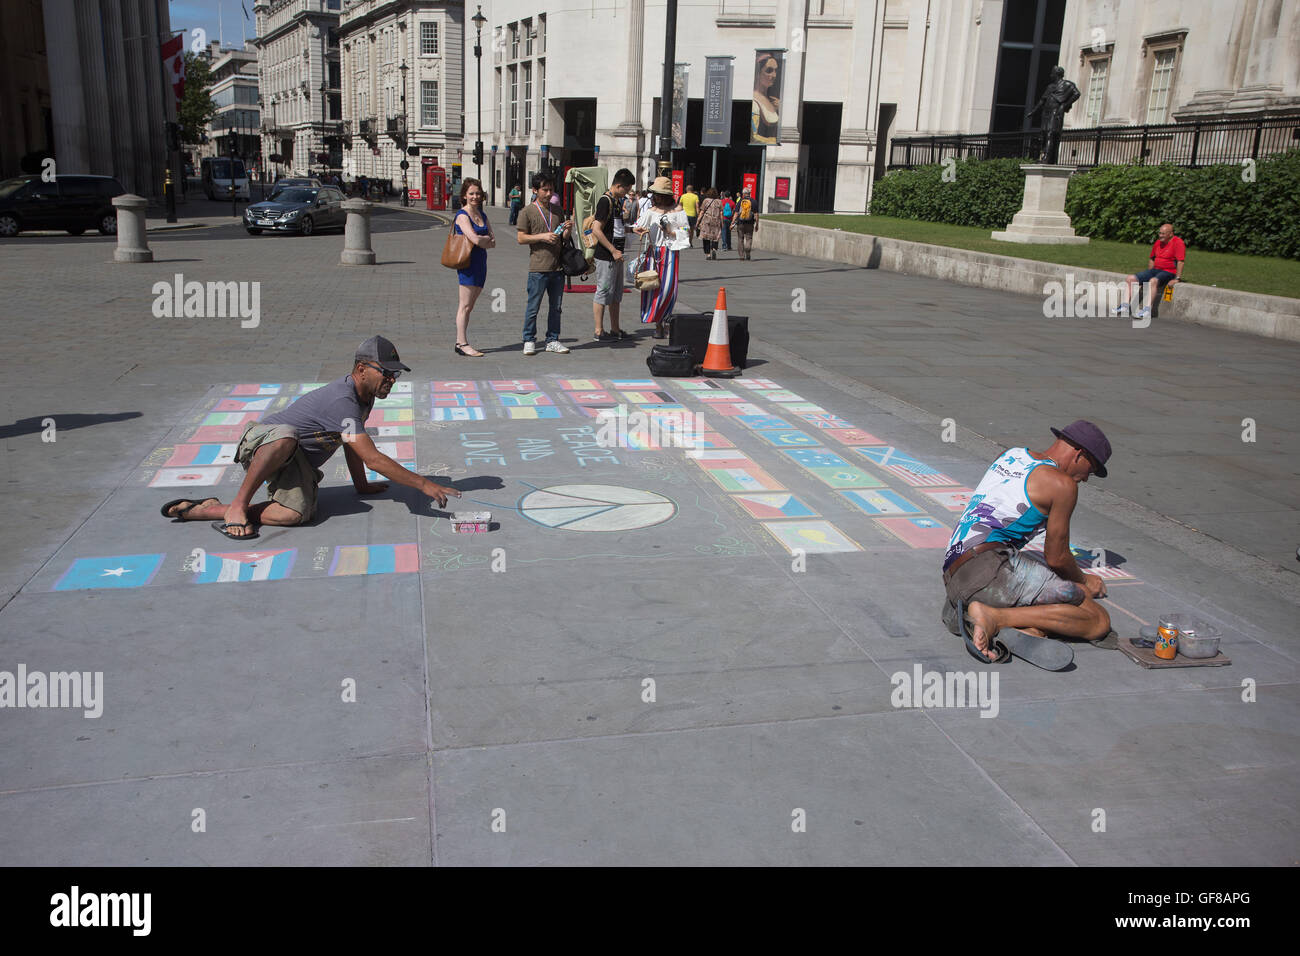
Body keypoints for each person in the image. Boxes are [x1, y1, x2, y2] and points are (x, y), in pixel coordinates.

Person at [159, 336, 461, 539]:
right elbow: (372, 457)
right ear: (361, 369)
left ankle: (205, 509)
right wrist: (423, 484)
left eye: (396, 375)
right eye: (387, 373)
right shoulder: (342, 400)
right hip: (264, 445)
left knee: (295, 516)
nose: (392, 380)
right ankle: (238, 505)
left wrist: (362, 485)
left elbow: (352, 444)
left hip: (294, 462)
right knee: (286, 437)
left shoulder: (363, 396)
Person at [941, 420, 1114, 660]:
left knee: (1047, 601)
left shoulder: (1012, 454)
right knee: (1096, 618)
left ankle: (1013, 622)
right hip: (991, 569)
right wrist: (1085, 579)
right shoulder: (1061, 484)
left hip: (955, 574)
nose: (1085, 479)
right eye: (1090, 470)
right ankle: (995, 618)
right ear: (1079, 455)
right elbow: (1057, 557)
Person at [515, 172, 572, 355]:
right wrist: (542, 236)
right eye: (544, 190)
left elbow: (563, 239)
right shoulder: (527, 212)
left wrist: (567, 231)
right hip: (538, 267)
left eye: (551, 190)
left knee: (556, 307)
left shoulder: (557, 210)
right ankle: (529, 339)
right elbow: (521, 238)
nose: (548, 194)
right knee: (533, 306)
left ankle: (552, 339)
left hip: (557, 267)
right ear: (535, 190)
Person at [634, 176, 689, 339]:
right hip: (654, 253)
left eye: (658, 194)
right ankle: (658, 324)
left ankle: (664, 321)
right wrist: (640, 230)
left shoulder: (678, 210)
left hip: (671, 252)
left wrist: (671, 232)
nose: (655, 197)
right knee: (654, 287)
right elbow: (638, 226)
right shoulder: (650, 211)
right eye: (654, 193)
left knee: (669, 290)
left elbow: (686, 229)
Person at [451, 178, 495, 357]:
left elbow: (493, 242)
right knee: (465, 305)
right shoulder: (462, 215)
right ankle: (461, 343)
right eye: (471, 193)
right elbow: (476, 239)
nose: (475, 196)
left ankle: (461, 342)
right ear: (464, 195)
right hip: (467, 263)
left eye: (478, 193)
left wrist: (482, 240)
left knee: (470, 306)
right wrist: (482, 240)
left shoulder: (482, 215)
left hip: (480, 263)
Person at [591, 167, 635, 342]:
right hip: (606, 256)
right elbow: (597, 229)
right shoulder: (605, 201)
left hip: (617, 255)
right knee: (602, 292)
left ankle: (615, 329)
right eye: (627, 189)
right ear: (618, 186)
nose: (628, 193)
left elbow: (614, 228)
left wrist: (631, 229)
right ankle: (598, 331)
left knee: (616, 294)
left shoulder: (617, 201)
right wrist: (613, 250)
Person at [1113, 222, 1185, 322]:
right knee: (1130, 278)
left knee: (1153, 281)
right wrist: (1149, 272)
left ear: (1171, 234)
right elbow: (1152, 258)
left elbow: (1181, 261)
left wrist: (1177, 279)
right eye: (1159, 233)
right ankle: (1125, 306)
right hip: (1155, 270)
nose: (1160, 236)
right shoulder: (1158, 242)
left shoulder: (1178, 243)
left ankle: (1147, 310)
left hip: (1168, 271)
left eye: (1163, 234)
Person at [1026, 65, 1080, 165]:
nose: (1051, 75)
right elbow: (1042, 100)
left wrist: (1065, 105)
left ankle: (1047, 158)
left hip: (1056, 112)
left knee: (1051, 133)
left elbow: (1077, 94)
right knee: (1044, 134)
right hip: (1047, 112)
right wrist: (1033, 111)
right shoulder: (1050, 87)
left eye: (1053, 73)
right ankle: (1046, 156)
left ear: (1057, 74)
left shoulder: (1067, 84)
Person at [752, 54, 781, 145]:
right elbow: (754, 137)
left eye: (775, 71)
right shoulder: (754, 102)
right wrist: (775, 140)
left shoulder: (773, 100)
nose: (774, 75)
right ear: (758, 73)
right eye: (769, 71)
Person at [696, 187, 723, 260]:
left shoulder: (706, 200)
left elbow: (702, 212)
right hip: (716, 221)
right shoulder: (719, 202)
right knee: (715, 237)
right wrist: (722, 223)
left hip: (707, 221)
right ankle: (714, 249)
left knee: (706, 237)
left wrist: (698, 222)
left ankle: (708, 254)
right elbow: (721, 213)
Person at [733, 186, 758, 260]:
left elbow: (736, 213)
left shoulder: (740, 201)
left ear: (743, 194)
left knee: (740, 239)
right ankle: (747, 250)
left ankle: (741, 256)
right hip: (750, 223)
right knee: (749, 238)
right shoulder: (754, 201)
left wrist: (732, 222)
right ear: (749, 194)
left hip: (740, 223)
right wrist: (757, 224)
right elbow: (756, 214)